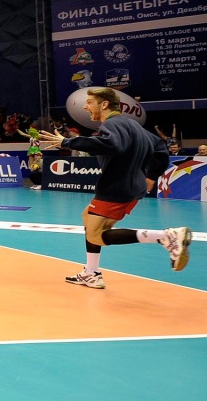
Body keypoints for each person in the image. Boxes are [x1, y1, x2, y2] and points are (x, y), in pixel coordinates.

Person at [39, 87, 191, 288]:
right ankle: (91, 272)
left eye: (90, 102)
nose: (85, 106)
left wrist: (68, 142)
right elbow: (161, 149)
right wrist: (151, 176)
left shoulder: (112, 124)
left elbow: (113, 145)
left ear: (104, 105)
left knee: (96, 235)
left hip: (115, 188)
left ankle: (166, 237)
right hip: (130, 187)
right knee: (88, 217)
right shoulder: (133, 126)